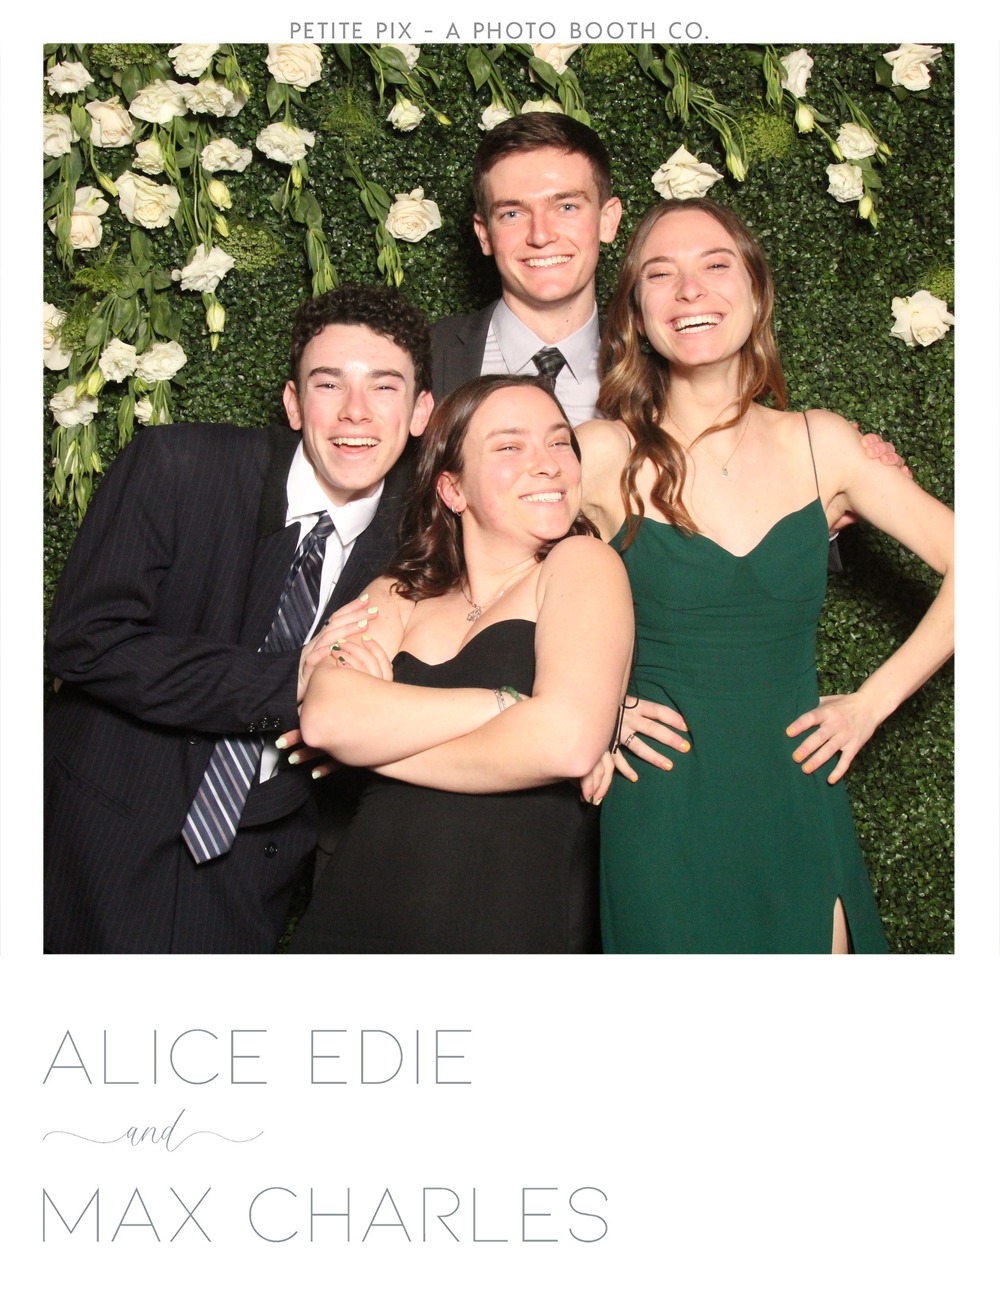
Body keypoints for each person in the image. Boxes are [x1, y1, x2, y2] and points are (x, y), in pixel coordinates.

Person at [577, 199, 954, 954]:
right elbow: (485, 587)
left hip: (797, 794)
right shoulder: (597, 454)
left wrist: (870, 705)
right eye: (661, 274)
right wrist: (589, 711)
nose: (690, 289)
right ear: (636, 315)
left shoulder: (824, 444)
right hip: (661, 811)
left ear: (755, 294)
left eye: (716, 265)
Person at [44, 285, 433, 954]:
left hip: (249, 884)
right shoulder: (179, 466)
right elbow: (84, 642)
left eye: (384, 386)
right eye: (328, 384)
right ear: (293, 403)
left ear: (421, 411)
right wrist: (289, 681)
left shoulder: (419, 546)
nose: (356, 411)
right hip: (92, 848)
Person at [288, 375, 633, 954]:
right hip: (356, 906)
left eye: (559, 442)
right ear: (452, 489)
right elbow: (326, 719)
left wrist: (370, 749)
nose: (548, 464)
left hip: (504, 915)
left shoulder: (582, 562)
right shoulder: (400, 591)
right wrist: (505, 705)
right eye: (510, 446)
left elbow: (567, 742)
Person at [431, 112, 622, 425]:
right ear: (484, 234)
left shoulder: (655, 370)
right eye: (512, 214)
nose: (540, 236)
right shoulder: (426, 356)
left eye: (566, 207)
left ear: (608, 220)